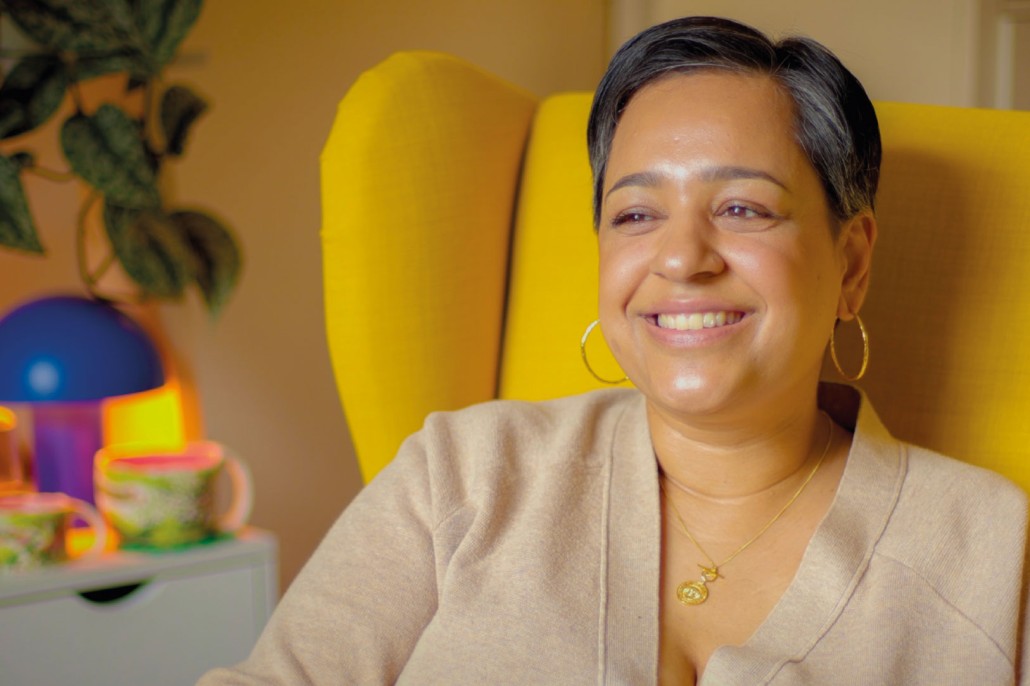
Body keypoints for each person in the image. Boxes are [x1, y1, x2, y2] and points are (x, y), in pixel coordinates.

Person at [199, 16, 1029, 685]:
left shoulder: (994, 554)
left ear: (851, 266)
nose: (681, 258)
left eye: (742, 207)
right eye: (635, 215)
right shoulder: (462, 472)